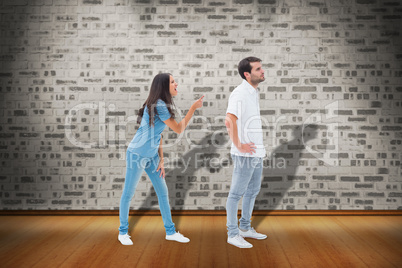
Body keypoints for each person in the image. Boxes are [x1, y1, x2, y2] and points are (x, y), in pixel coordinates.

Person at [118, 73, 204, 245]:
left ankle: (170, 232)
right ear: (164, 86)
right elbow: (179, 129)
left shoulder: (160, 104)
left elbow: (159, 135)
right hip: (137, 154)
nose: (176, 84)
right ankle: (122, 232)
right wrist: (193, 109)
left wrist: (161, 160)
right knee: (128, 193)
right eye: (173, 82)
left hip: (151, 156)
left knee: (163, 193)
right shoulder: (159, 105)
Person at [224, 57, 268, 248]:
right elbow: (229, 121)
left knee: (252, 191)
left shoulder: (252, 92)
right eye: (258, 69)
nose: (262, 71)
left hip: (256, 152)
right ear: (247, 74)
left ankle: (245, 227)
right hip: (245, 155)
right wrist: (239, 145)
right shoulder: (240, 93)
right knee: (236, 194)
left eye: (261, 68)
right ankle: (232, 234)